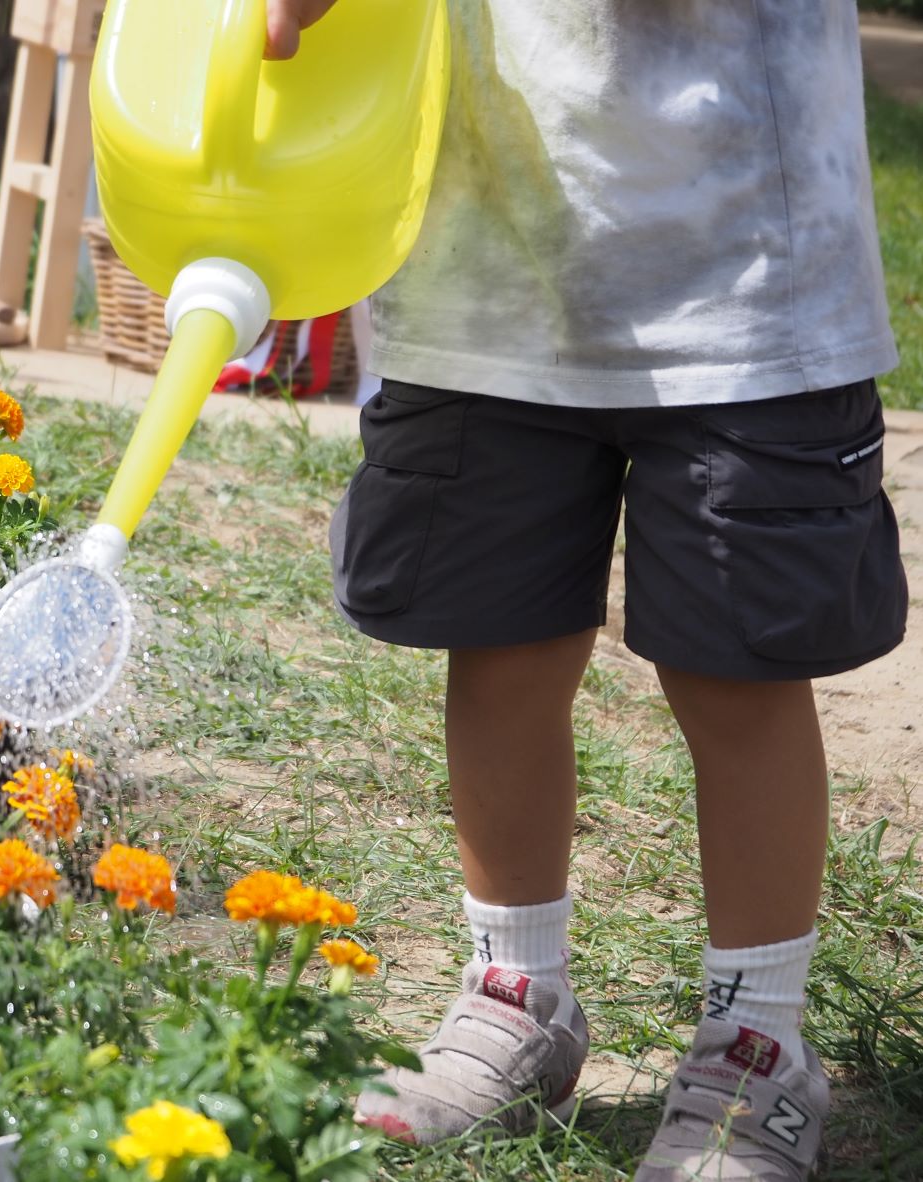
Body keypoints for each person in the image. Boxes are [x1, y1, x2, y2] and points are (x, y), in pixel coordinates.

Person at [267, 1, 907, 1178]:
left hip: (741, 262)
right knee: (500, 644)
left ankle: (758, 1040)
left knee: (737, 671)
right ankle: (518, 994)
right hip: (485, 255)